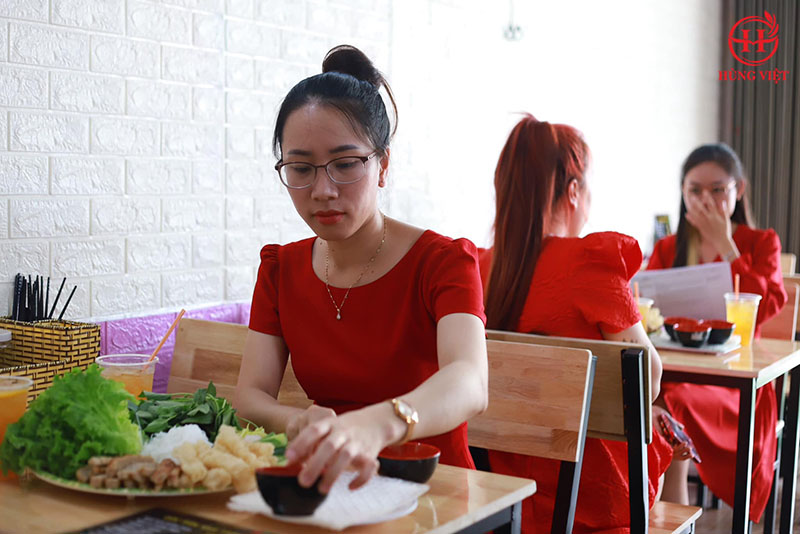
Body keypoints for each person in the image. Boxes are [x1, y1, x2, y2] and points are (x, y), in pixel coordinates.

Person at [233, 45, 488, 495]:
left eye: (346, 164)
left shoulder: (442, 262)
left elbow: (470, 381)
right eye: (301, 168)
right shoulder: (280, 269)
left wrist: (378, 424)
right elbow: (250, 396)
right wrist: (297, 422)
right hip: (330, 487)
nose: (323, 190)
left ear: (382, 165)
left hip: (434, 493)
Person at [478, 114, 673, 533]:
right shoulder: (590, 264)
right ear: (572, 191)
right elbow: (648, 380)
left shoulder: (478, 269)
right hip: (591, 500)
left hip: (503, 496)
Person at [647, 143, 787, 519]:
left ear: (739, 191)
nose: (705, 200)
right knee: (654, 400)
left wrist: (726, 245)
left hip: (734, 382)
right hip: (676, 371)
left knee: (668, 403)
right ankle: (661, 515)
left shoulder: (761, 243)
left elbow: (766, 306)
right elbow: (648, 312)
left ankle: (669, 516)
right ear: (682, 193)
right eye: (695, 190)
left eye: (717, 190)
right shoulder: (669, 247)